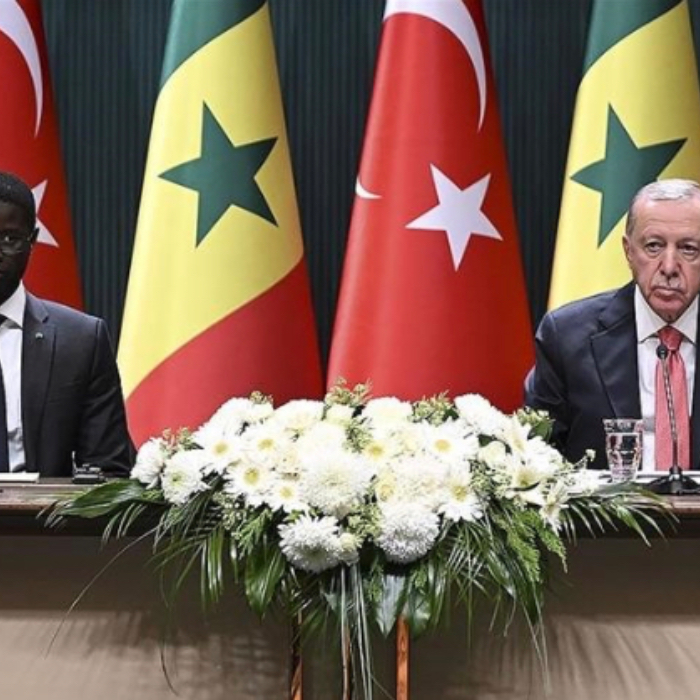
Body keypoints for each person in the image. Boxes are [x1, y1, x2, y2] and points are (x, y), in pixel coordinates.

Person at [525, 178, 700, 471]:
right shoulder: (566, 336)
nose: (669, 267)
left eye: (688, 249)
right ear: (628, 251)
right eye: (654, 246)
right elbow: (536, 457)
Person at [0, 171, 133, 476]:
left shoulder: (82, 340)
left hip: (45, 508)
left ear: (32, 241)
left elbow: (109, 471)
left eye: (9, 239)